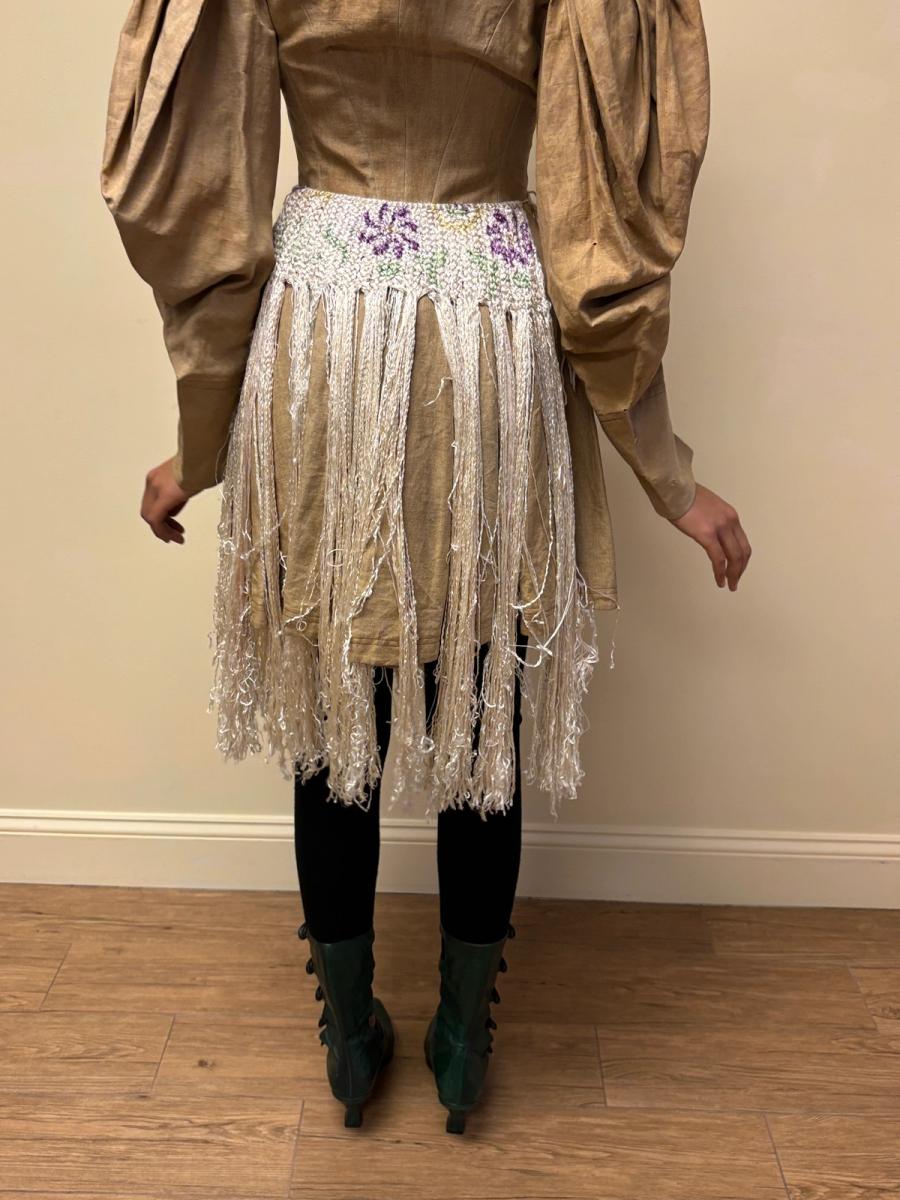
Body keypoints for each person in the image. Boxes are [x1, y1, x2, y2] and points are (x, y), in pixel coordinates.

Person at [100, 0, 750, 1134]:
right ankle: (460, 1044)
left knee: (334, 717)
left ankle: (353, 1042)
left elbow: (204, 209)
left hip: (323, 331)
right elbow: (600, 241)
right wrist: (668, 474)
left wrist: (201, 445)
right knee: (480, 715)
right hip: (489, 335)